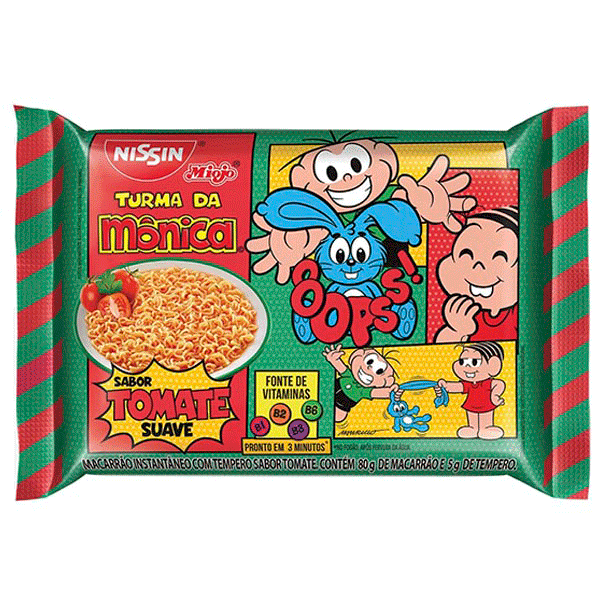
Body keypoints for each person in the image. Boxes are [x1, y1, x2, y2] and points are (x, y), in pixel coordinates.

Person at [246, 139, 476, 284]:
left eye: (356, 165)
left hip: (390, 296)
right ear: (301, 179)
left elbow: (409, 209)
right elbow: (300, 238)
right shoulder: (313, 218)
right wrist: (289, 244)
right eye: (331, 173)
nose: (347, 177)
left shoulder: (395, 198)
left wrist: (424, 206)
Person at [435, 206, 518, 342]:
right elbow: (440, 350)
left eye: (499, 257)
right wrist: (456, 331)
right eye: (466, 254)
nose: (478, 266)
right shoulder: (467, 311)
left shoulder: (515, 313)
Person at [436, 341, 506, 439]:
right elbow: (458, 386)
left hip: (486, 404)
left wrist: (494, 395)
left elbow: (499, 384)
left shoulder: (488, 382)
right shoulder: (469, 384)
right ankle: (473, 428)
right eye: (462, 362)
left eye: (474, 362)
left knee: (485, 418)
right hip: (471, 405)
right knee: (472, 419)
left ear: (493, 365)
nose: (467, 367)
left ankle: (486, 428)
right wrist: (446, 385)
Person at [322, 344, 402, 423]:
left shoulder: (364, 391)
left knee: (339, 416)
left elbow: (376, 393)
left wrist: (391, 392)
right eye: (370, 361)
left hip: (343, 404)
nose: (369, 368)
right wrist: (333, 359)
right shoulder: (349, 375)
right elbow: (340, 367)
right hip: (331, 389)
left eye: (379, 371)